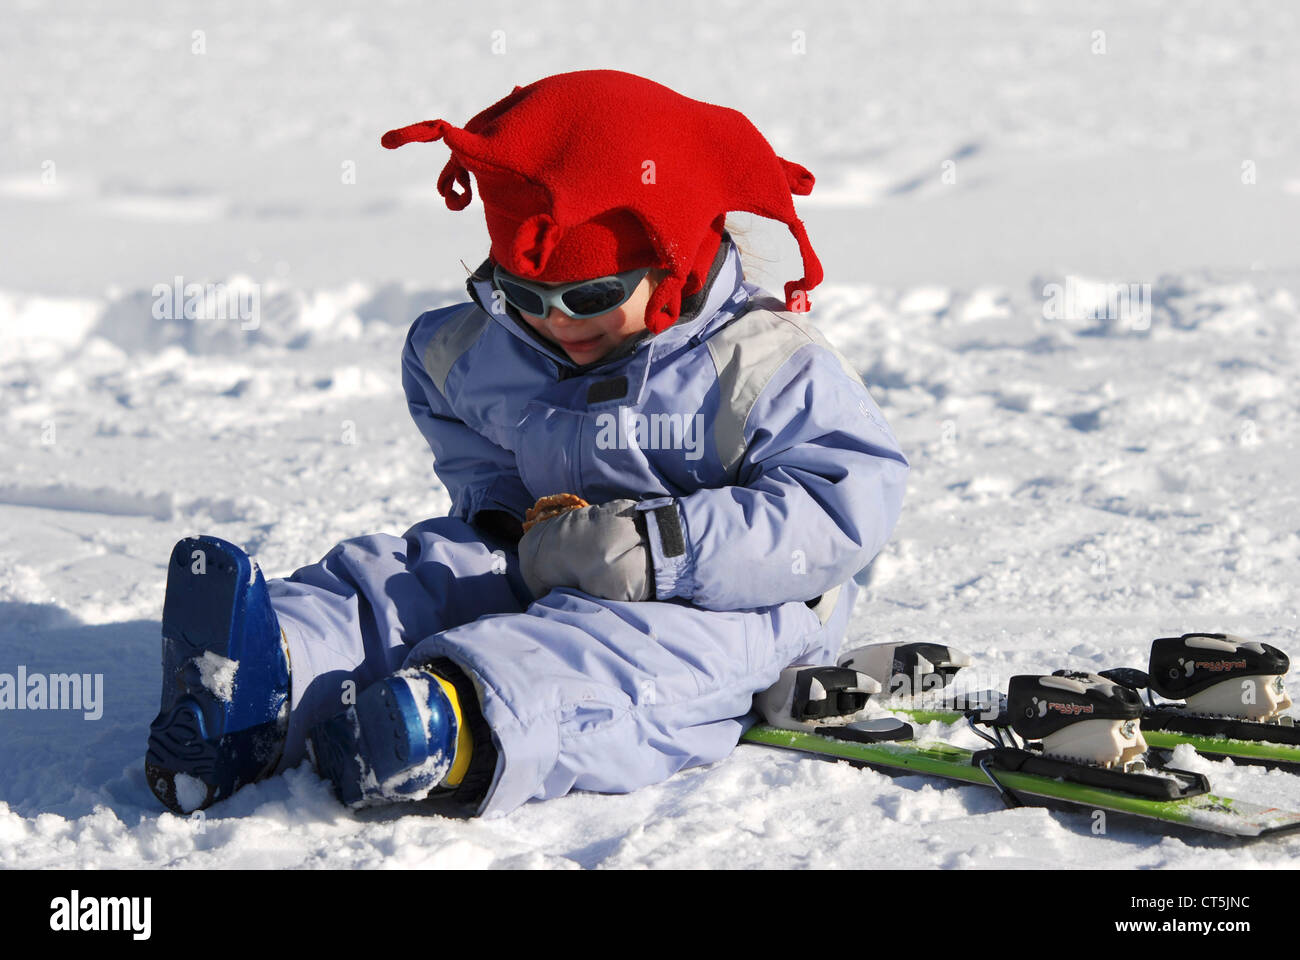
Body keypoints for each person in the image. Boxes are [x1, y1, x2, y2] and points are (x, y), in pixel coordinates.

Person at [144, 69, 910, 819]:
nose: (558, 322)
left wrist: (660, 548)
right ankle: (266, 673)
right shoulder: (487, 346)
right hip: (549, 550)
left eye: (590, 297)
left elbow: (841, 501)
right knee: (416, 575)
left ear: (672, 262)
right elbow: (452, 401)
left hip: (732, 598)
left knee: (631, 654)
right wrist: (505, 522)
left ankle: (456, 723)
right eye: (526, 296)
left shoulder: (761, 364)